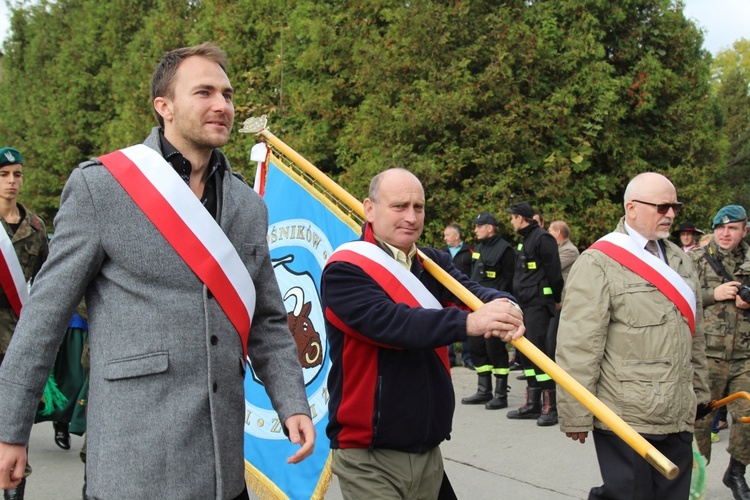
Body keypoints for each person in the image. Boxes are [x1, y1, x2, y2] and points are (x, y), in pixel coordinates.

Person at [0, 43, 315, 499]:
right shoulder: (101, 188)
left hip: (223, 473)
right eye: (204, 92)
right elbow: (44, 317)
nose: (222, 105)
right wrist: (11, 429)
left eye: (227, 95)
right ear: (163, 106)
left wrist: (292, 403)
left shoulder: (249, 206)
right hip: (133, 467)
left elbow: (266, 317)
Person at [321, 168, 525, 499]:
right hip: (368, 455)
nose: (412, 217)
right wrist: (468, 324)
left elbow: (471, 292)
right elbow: (394, 323)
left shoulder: (432, 262)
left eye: (419, 207)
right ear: (369, 209)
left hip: (428, 450)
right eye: (400, 206)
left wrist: (506, 306)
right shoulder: (345, 270)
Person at [556, 172, 710, 500]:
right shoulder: (598, 262)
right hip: (625, 417)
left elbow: (695, 336)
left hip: (678, 414)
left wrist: (700, 396)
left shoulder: (681, 260)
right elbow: (579, 343)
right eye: (662, 207)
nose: (671, 214)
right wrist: (575, 411)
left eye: (674, 206)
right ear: (632, 208)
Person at [691, 205, 750, 499]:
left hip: (745, 356)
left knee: (749, 418)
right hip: (706, 356)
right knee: (699, 423)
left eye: (733, 228)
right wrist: (711, 295)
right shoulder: (696, 261)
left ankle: (736, 473)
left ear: (744, 231)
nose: (725, 233)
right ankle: (694, 483)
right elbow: (674, 298)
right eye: (720, 228)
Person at [0, 147, 49, 500]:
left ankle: (15, 488)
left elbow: (49, 282)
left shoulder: (35, 227)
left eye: (17, 174)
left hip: (20, 339)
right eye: (4, 175)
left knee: (16, 418)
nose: (12, 181)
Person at [506, 202, 564, 426]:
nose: (511, 222)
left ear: (520, 218)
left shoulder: (542, 238)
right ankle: (533, 403)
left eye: (512, 218)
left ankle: (552, 405)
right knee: (527, 353)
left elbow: (554, 272)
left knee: (541, 353)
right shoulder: (525, 240)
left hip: (539, 304)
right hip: (525, 303)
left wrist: (556, 298)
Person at [460, 212, 516, 410]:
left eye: (478, 226)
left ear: (489, 228)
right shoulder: (480, 248)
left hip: (495, 306)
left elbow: (511, 279)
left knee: (495, 350)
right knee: (476, 347)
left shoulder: (506, 250)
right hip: (477, 306)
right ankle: (484, 390)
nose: (475, 230)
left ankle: (501, 394)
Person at [442, 223, 474, 369]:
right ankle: (450, 358)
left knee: (466, 323)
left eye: (447, 235)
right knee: (448, 323)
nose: (445, 238)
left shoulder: (470, 252)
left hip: (464, 295)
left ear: (457, 235)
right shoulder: (442, 252)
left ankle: (468, 358)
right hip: (446, 295)